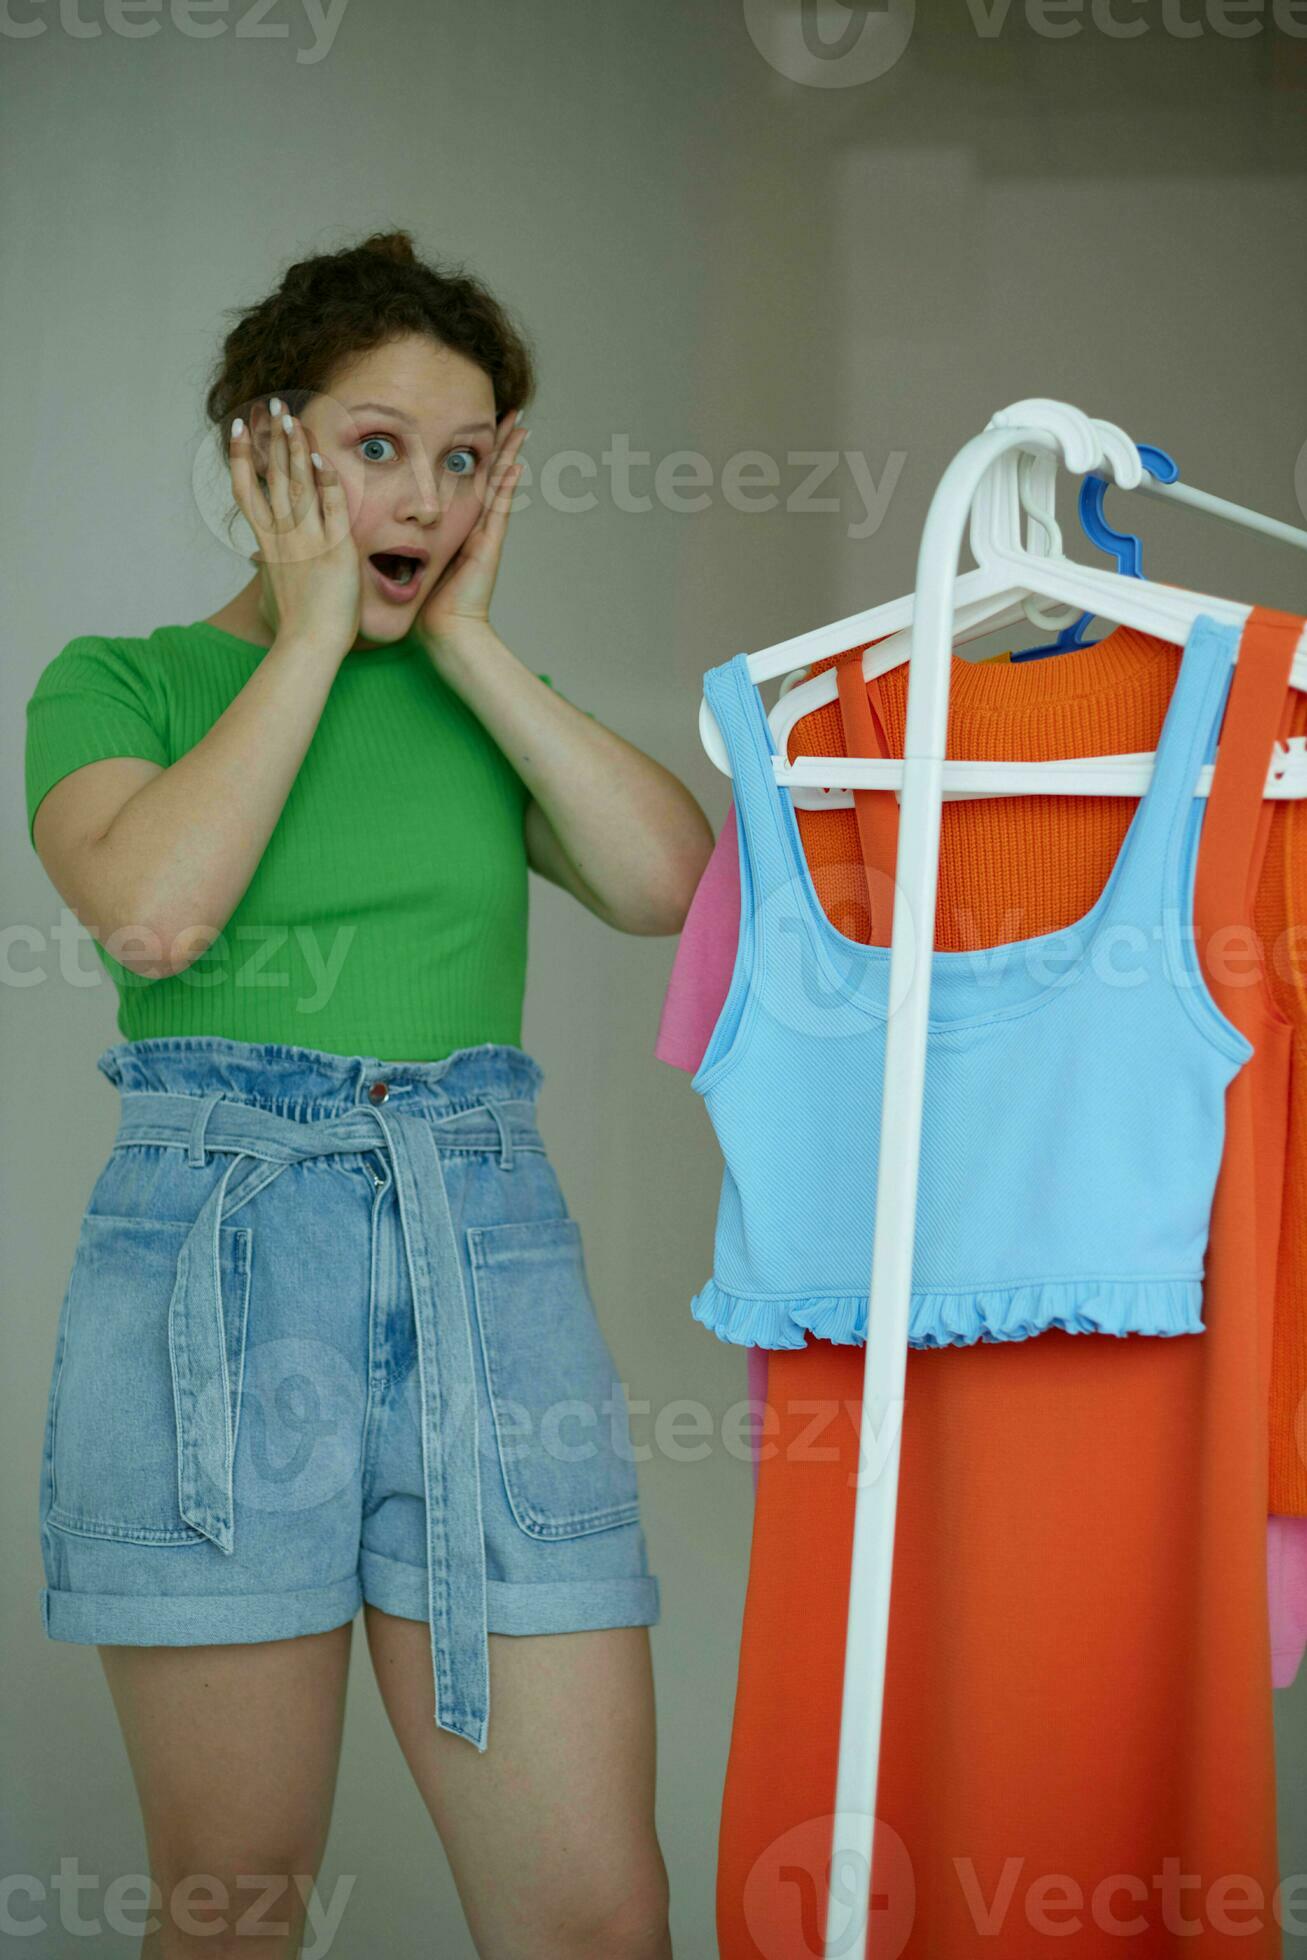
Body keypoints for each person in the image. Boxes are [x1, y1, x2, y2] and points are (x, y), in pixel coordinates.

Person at [26, 229, 713, 1959]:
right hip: (220, 1270)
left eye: (467, 456)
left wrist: (468, 644)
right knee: (237, 1899)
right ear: (262, 450)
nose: (423, 492)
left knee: (596, 1914)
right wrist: (314, 638)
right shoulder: (119, 685)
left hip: (482, 1252)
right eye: (377, 444)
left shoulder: (488, 707)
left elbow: (673, 891)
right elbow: (160, 913)